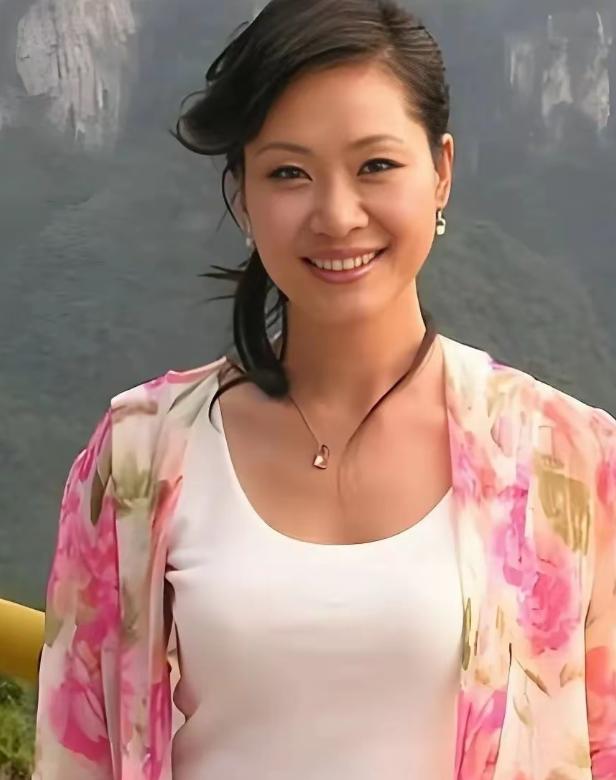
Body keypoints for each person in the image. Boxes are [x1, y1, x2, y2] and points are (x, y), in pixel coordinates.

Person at [33, 0, 616, 778]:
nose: (337, 216)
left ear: (441, 171)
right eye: (289, 173)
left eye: (376, 166)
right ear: (243, 196)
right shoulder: (140, 458)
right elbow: (80, 749)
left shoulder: (565, 459)